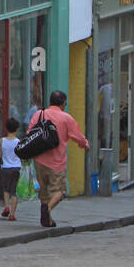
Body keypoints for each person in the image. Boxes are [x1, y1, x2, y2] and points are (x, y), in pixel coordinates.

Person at [27, 90, 89, 228]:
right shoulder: (66, 118)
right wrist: (85, 144)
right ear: (63, 103)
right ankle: (47, 210)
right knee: (60, 191)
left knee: (44, 191)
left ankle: (46, 220)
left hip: (39, 160)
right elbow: (77, 136)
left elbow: (29, 133)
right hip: (56, 162)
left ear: (50, 102)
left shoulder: (39, 114)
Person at [0, 117, 22, 221]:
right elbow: (21, 155)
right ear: (17, 129)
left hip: (5, 167)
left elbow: (0, 155)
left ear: (6, 128)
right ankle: (12, 214)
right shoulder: (19, 142)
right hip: (16, 168)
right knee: (14, 191)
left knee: (6, 189)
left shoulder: (1, 141)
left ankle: (6, 207)